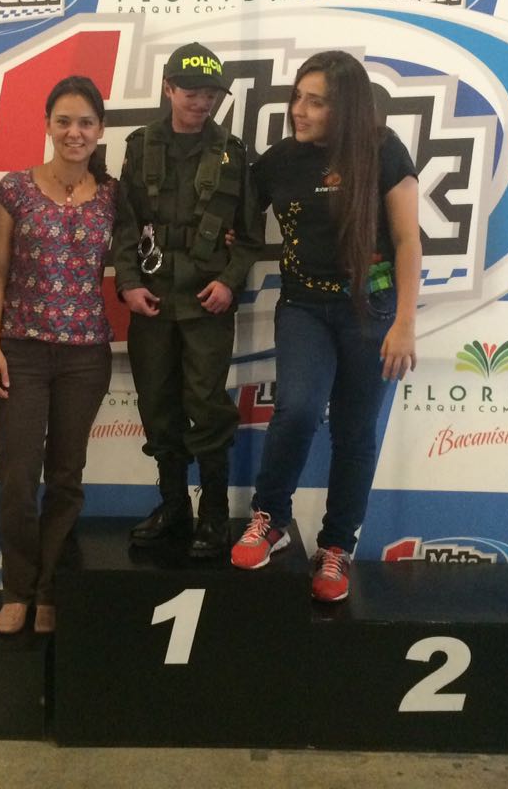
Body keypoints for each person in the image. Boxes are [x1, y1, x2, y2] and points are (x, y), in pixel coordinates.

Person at [230, 50, 421, 603]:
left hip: (372, 309)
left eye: (316, 102)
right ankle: (270, 519)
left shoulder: (383, 150)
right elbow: (237, 219)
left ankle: (336, 547)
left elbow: (408, 240)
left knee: (355, 432)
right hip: (304, 308)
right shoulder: (280, 161)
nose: (300, 110)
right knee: (298, 409)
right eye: (298, 97)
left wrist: (405, 322)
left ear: (347, 108)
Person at [112, 42, 264, 558]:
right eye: (191, 92)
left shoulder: (233, 153)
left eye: (210, 94)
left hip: (206, 303)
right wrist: (128, 283)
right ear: (168, 89)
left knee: (207, 407)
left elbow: (250, 236)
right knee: (158, 406)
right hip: (152, 302)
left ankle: (214, 515)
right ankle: (174, 506)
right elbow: (126, 224)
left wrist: (229, 282)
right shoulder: (140, 147)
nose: (201, 102)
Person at [0, 76, 117, 635]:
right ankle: (17, 588)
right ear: (47, 125)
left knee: (66, 476)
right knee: (18, 476)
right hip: (21, 350)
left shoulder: (113, 195)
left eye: (85, 122)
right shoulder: (14, 190)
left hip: (86, 355)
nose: (74, 132)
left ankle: (48, 591)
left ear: (100, 130)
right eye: (63, 121)